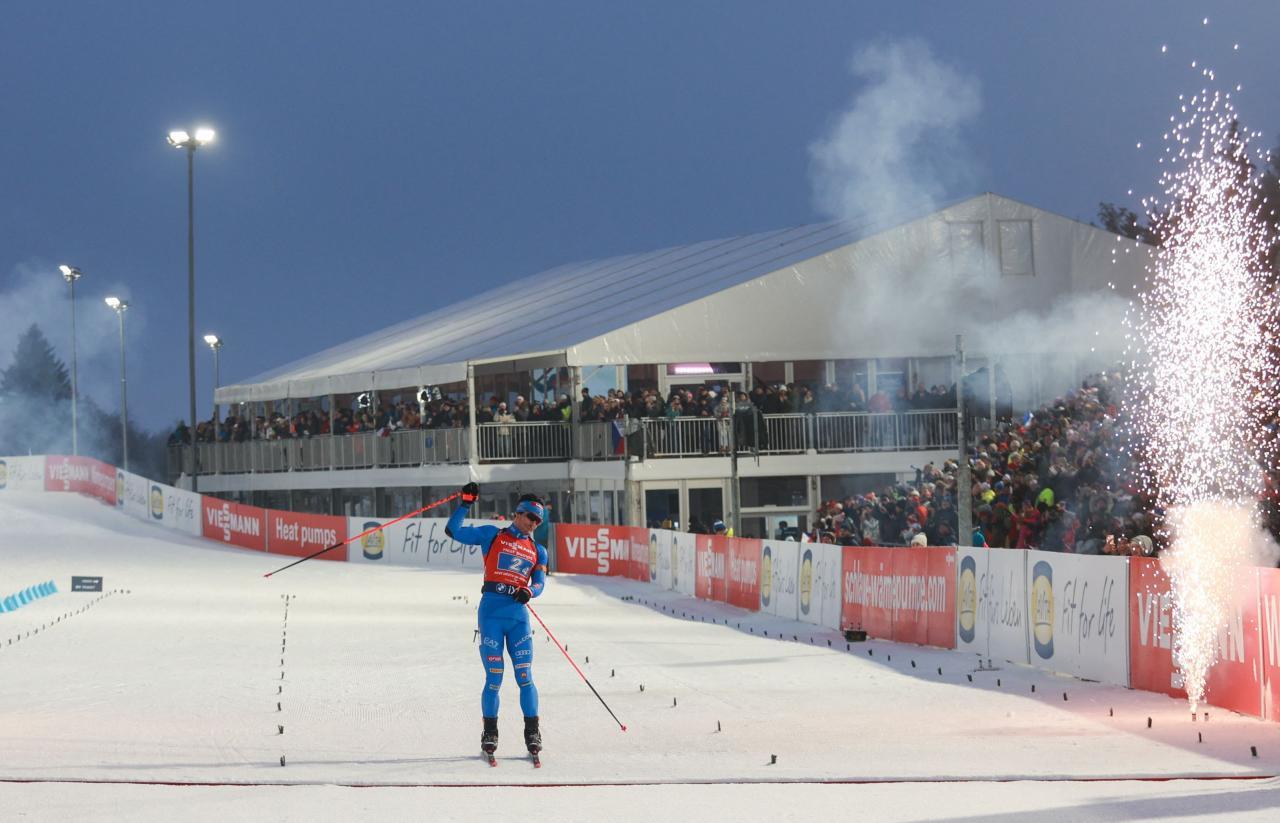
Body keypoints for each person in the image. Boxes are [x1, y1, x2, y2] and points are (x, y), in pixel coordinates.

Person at [445, 483, 549, 759]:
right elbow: (453, 531)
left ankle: (532, 732)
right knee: (494, 678)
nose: (533, 524)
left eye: (538, 521)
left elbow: (539, 584)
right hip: (491, 614)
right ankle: (490, 732)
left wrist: (529, 591)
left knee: (525, 677)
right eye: (530, 517)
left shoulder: (539, 551)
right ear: (518, 514)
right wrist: (465, 504)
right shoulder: (493, 535)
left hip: (518, 620)